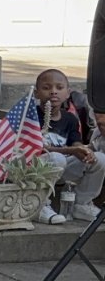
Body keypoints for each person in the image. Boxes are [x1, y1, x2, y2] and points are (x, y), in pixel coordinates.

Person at [34, 68, 105, 224]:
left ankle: (81, 204)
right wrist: (71, 150)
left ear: (68, 93)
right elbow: (37, 149)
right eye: (46, 88)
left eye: (59, 88)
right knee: (57, 158)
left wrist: (83, 151)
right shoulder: (30, 116)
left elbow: (75, 142)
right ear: (36, 93)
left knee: (100, 159)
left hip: (63, 168)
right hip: (37, 169)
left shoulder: (70, 119)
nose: (53, 92)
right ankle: (39, 205)